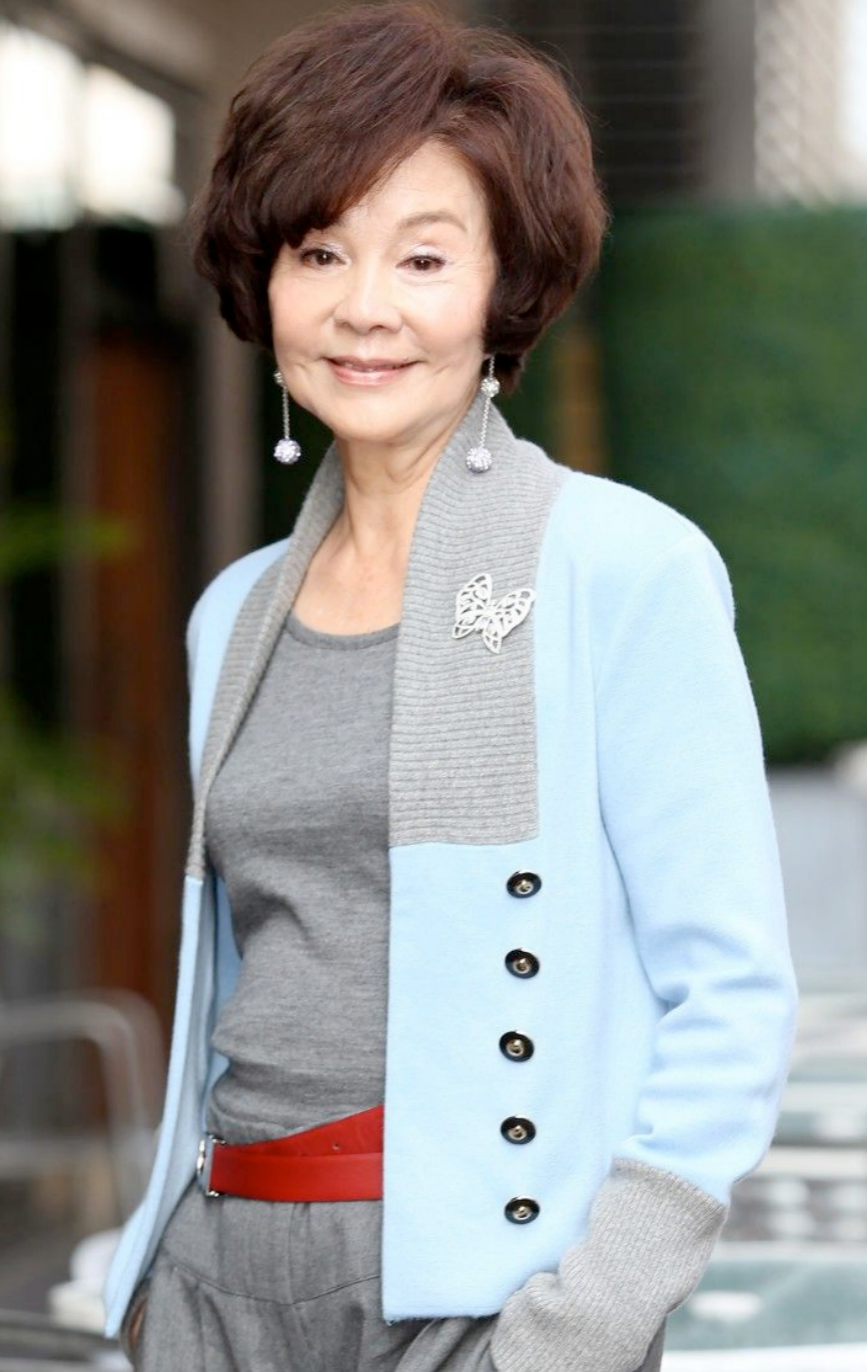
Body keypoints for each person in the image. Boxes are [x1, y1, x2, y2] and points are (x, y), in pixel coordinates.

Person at [101, 4, 799, 1370]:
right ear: (264, 283)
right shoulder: (232, 614)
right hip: (216, 1280)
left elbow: (730, 991)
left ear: (501, 288)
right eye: (320, 252)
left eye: (424, 257)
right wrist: (155, 1298)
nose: (365, 306)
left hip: (482, 1300)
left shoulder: (620, 567)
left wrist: (584, 1324)